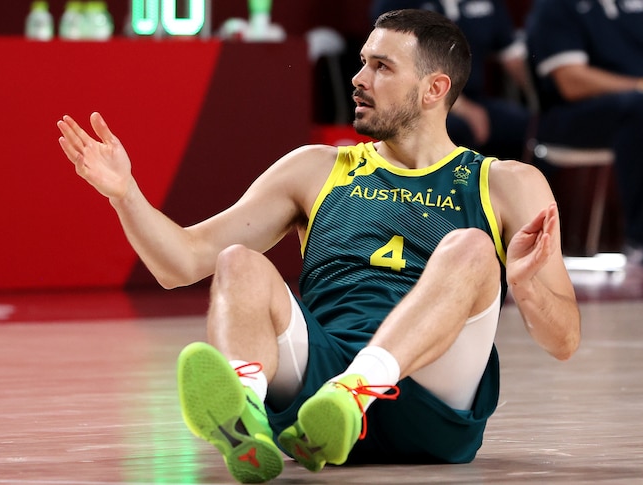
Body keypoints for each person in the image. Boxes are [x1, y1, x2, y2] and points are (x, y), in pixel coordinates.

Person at [58, 9, 580, 483]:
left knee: (470, 247)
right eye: (362, 63)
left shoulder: (505, 183)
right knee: (237, 262)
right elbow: (182, 262)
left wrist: (527, 288)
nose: (358, 79)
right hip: (317, 403)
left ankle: (359, 389)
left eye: (381, 67)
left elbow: (564, 341)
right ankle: (244, 414)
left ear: (433, 88)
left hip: (432, 398)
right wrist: (126, 195)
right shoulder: (316, 169)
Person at [525, 0, 643, 270]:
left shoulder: (638, 4)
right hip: (572, 117)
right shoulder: (556, 7)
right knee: (637, 106)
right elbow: (572, 82)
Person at [369, 0, 531, 161]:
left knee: (525, 126)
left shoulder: (490, 4)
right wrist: (461, 107)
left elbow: (511, 56)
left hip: (474, 96)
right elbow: (397, 63)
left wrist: (540, 100)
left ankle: (500, 184)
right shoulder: (394, 4)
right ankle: (450, 185)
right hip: (416, 101)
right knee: (459, 129)